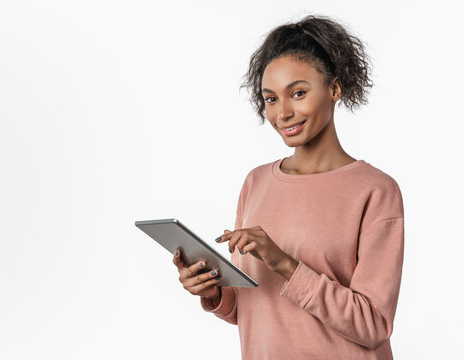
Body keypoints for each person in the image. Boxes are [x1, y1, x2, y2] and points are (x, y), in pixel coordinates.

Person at [172, 14, 404, 360]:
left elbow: (372, 326)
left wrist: (284, 263)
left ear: (335, 88)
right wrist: (214, 291)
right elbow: (253, 310)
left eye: (297, 93)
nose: (283, 113)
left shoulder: (375, 190)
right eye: (270, 99)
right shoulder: (256, 182)